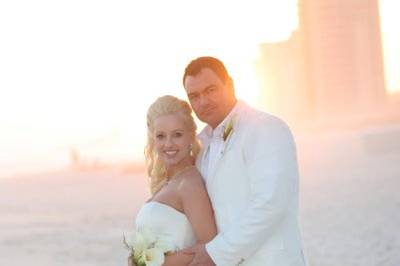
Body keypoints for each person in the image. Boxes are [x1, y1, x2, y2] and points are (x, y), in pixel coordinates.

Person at [182, 56, 307, 266]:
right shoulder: (200, 147)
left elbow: (271, 203)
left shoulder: (265, 128)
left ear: (229, 84)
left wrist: (216, 253)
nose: (203, 101)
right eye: (194, 96)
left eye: (210, 90)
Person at [128, 95, 217, 266]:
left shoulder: (189, 184)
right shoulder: (168, 182)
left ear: (191, 136)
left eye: (177, 135)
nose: (168, 144)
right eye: (161, 136)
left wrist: (149, 264)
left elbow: (210, 251)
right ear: (153, 139)